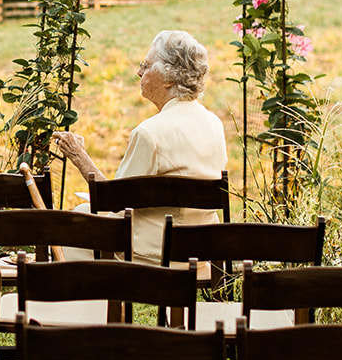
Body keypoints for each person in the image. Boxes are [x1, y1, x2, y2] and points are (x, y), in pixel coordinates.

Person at [52, 29, 228, 263]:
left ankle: (86, 297)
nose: (139, 72)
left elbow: (113, 201)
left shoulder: (149, 133)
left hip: (158, 251)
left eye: (146, 66)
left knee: (80, 219)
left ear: (168, 77)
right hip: (204, 248)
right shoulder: (214, 123)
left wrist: (79, 156)